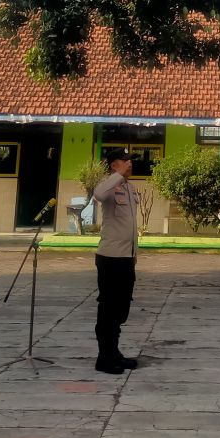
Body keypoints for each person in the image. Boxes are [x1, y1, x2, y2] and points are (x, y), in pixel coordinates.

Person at [92, 147, 140, 374]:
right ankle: (104, 358)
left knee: (121, 309)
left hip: (126, 258)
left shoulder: (130, 189)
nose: (130, 164)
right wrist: (117, 176)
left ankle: (114, 352)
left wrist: (134, 255)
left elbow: (131, 228)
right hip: (110, 258)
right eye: (124, 160)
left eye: (131, 160)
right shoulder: (109, 187)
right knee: (108, 309)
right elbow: (98, 194)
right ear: (113, 165)